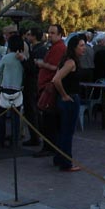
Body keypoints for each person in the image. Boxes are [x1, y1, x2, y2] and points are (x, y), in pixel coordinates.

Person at [51, 33, 86, 172]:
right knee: (67, 132)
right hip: (69, 99)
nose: (84, 48)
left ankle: (59, 158)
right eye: (81, 46)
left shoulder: (67, 61)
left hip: (66, 99)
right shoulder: (70, 62)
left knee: (62, 131)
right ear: (74, 47)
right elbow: (56, 79)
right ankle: (66, 162)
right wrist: (64, 95)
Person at [34, 23, 66, 157]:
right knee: (47, 119)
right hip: (45, 86)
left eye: (53, 33)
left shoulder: (59, 48)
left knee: (49, 120)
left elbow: (56, 67)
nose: (50, 35)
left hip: (50, 88)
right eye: (49, 33)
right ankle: (50, 146)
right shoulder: (52, 47)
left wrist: (42, 64)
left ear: (60, 34)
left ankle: (50, 146)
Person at [0, 34, 25, 147]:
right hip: (17, 89)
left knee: (1, 116)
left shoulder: (6, 57)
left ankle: (0, 139)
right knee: (15, 117)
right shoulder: (22, 58)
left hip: (5, 88)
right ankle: (15, 140)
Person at [21, 27, 46, 146]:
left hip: (33, 83)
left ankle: (35, 136)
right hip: (34, 82)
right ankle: (37, 135)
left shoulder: (39, 50)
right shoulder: (36, 48)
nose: (27, 36)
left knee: (32, 110)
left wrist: (23, 60)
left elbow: (33, 68)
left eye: (29, 34)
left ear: (34, 36)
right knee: (34, 110)